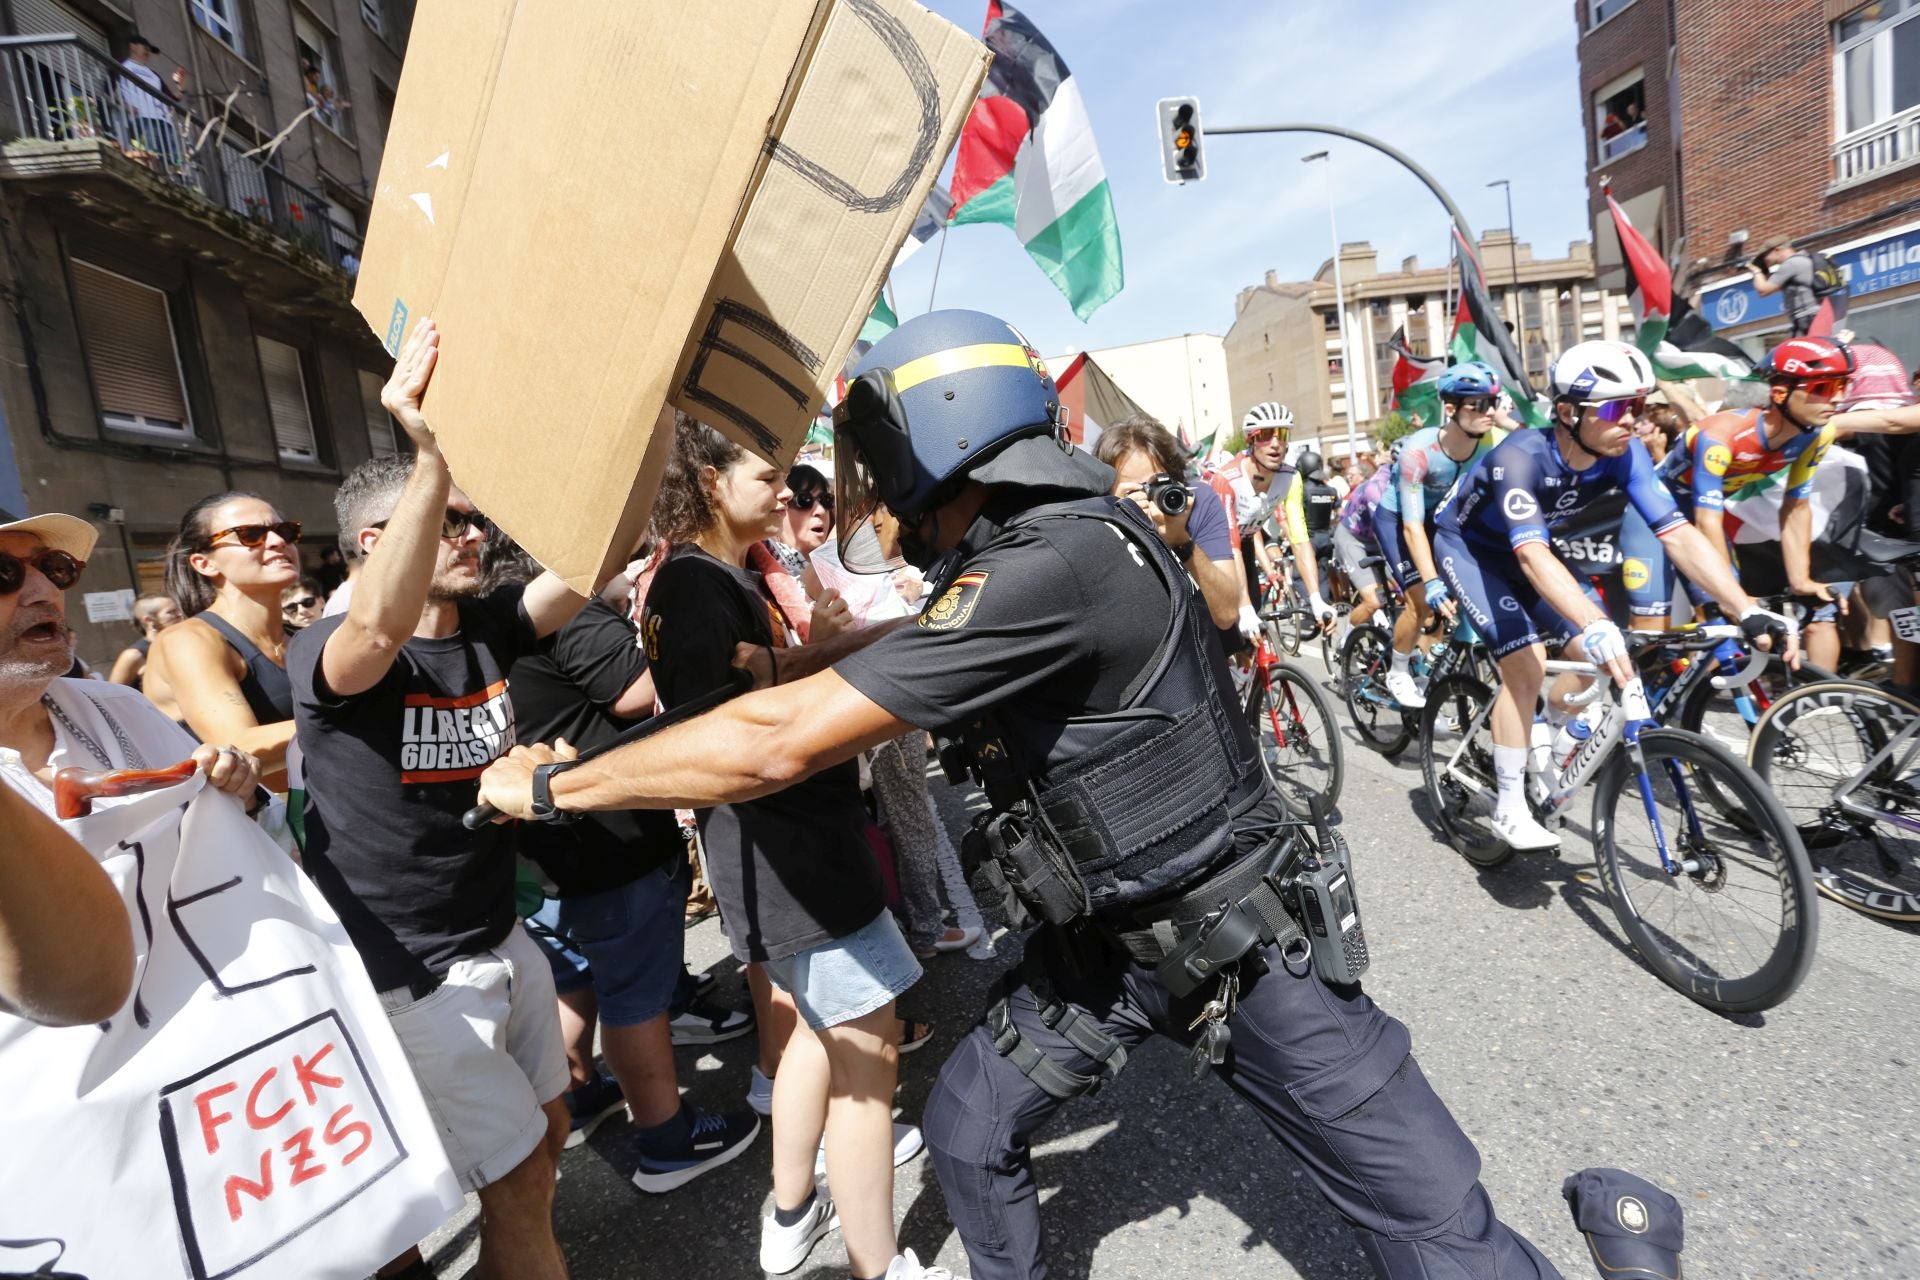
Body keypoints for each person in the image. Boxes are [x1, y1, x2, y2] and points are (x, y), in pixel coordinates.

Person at [480, 309, 1577, 1280]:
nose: (868, 483)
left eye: (881, 452)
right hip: (1105, 949)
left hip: (1237, 946)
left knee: (1438, 1230)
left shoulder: (1048, 561)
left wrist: (561, 780)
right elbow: (930, 643)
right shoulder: (1048, 548)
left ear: (942, 436)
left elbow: (777, 742)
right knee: (966, 1123)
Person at [289, 319, 590, 1280]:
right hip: (408, 968)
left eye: (470, 517)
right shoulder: (332, 651)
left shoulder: (489, 623)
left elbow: (592, 562)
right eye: (453, 519)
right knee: (511, 1184)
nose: (476, 534)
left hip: (500, 934)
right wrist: (426, 451)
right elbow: (373, 629)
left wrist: (647, 415)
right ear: (379, 541)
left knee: (549, 1140)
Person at [638, 418, 925, 1279]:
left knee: (808, 1034)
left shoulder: (716, 578)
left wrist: (797, 653)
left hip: (779, 856)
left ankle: (793, 1213)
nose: (786, 494)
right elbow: (721, 732)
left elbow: (750, 691)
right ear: (710, 482)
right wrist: (804, 659)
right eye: (767, 478)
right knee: (868, 1067)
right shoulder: (694, 588)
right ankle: (880, 1264)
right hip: (792, 856)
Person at [1434, 340, 1797, 853]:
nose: (1632, 420)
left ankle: (1543, 728)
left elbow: (1678, 534)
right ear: (1567, 412)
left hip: (1533, 550)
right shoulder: (1517, 458)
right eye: (1617, 407)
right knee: (1527, 664)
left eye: (1639, 406)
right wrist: (1594, 621)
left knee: (1594, 658)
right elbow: (1532, 558)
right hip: (1471, 552)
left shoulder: (1623, 455)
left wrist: (1746, 608)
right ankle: (1510, 805)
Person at [506, 577, 762, 1188]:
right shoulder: (558, 599)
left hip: (543, 845)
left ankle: (581, 1093)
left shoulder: (476, 620)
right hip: (610, 842)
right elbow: (634, 693)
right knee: (637, 1002)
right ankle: (667, 1137)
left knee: (577, 985)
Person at [0, 513, 258, 1026]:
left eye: (54, 567)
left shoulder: (119, 707)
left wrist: (235, 785)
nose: (45, 590)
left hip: (217, 1036)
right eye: (4, 573)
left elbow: (233, 836)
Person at [1621, 337, 1860, 664]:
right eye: (1825, 387)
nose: (1837, 398)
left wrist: (1801, 580)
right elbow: (1708, 521)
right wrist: (1735, 596)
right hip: (1652, 519)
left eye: (1843, 386)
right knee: (1650, 631)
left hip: (1701, 521)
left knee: (1723, 626)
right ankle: (1630, 701)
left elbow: (1796, 507)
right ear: (1780, 393)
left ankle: (1695, 700)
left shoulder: (1817, 435)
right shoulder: (1720, 438)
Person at [1375, 362, 1508, 708]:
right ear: (1450, 408)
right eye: (1478, 404)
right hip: (1398, 519)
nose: (1489, 412)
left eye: (1493, 402)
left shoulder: (1488, 444)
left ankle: (1449, 658)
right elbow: (1412, 526)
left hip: (1440, 519)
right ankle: (1398, 670)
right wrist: (1432, 581)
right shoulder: (1418, 453)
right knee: (1421, 602)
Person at [148, 493, 301, 791]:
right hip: (243, 826)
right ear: (204, 563)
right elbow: (237, 747)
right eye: (251, 535)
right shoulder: (188, 639)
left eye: (284, 531)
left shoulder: (300, 638)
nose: (277, 541)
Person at [1093, 414, 1243, 634]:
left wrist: (1180, 541)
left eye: (1158, 485)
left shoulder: (1197, 502)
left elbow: (1227, 614)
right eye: (1134, 491)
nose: (1151, 497)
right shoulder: (1099, 518)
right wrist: (1123, 524)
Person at [1208, 402, 1334, 632]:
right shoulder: (1227, 480)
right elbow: (1230, 546)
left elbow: (1299, 538)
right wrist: (1243, 609)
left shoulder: (1291, 477)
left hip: (1244, 542)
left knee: (1255, 622)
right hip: (1214, 549)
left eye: (1282, 434)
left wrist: (1316, 598)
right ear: (1251, 440)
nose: (1275, 443)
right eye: (1266, 435)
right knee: (1228, 625)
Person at [1329, 443, 1399, 654]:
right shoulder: (1376, 488)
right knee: (1374, 601)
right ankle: (1347, 640)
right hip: (1351, 537)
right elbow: (1388, 535)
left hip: (1374, 538)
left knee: (1408, 592)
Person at [1750, 235, 1840, 338]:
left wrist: (1756, 271)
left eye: (1764, 255)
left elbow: (1763, 290)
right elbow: (1774, 287)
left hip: (1807, 320)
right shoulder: (1804, 259)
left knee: (1799, 353)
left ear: (1777, 249)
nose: (1764, 260)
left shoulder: (1791, 264)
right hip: (1819, 317)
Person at [105, 593, 182, 688]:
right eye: (171, 612)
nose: (180, 615)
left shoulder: (180, 646)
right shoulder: (134, 655)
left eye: (178, 610)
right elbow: (114, 694)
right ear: (149, 620)